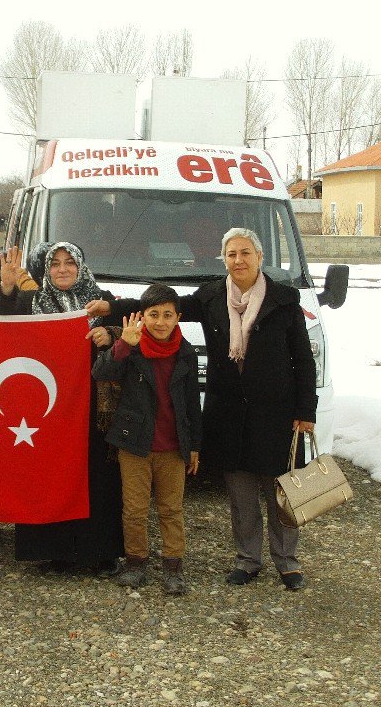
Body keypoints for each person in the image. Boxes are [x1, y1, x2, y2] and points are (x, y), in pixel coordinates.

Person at [93, 227, 317, 590]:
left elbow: (304, 361)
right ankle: (247, 560)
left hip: (276, 413)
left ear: (260, 257)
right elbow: (162, 306)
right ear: (224, 259)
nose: (238, 260)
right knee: (241, 497)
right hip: (229, 413)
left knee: (280, 494)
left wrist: (306, 411)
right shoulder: (212, 296)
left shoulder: (285, 301)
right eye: (231, 254)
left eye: (245, 253)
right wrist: (111, 308)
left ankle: (287, 563)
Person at [0, 242, 125, 574]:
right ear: (46, 269)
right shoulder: (29, 302)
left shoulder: (102, 300)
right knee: (50, 475)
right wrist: (6, 289)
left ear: (80, 266)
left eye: (69, 263)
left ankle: (99, 552)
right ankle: (55, 552)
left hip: (94, 407)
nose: (62, 269)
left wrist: (109, 332)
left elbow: (132, 331)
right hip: (46, 411)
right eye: (55, 264)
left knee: (97, 477)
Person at [91, 284, 201, 595]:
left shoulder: (186, 353)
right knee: (135, 509)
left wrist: (194, 445)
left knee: (171, 509)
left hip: (173, 447)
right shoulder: (133, 347)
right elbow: (100, 373)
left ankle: (173, 567)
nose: (161, 322)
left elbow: (192, 403)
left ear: (178, 317)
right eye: (154, 314)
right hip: (134, 444)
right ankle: (136, 563)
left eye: (168, 315)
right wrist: (122, 345)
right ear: (143, 316)